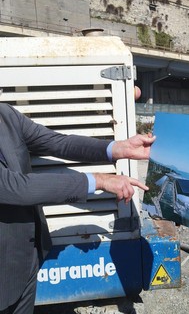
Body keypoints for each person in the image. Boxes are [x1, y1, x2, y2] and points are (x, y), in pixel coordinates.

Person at [0, 102, 155, 314]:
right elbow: (15, 188)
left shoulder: (5, 114)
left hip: (24, 258)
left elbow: (57, 143)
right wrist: (98, 180)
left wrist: (118, 148)